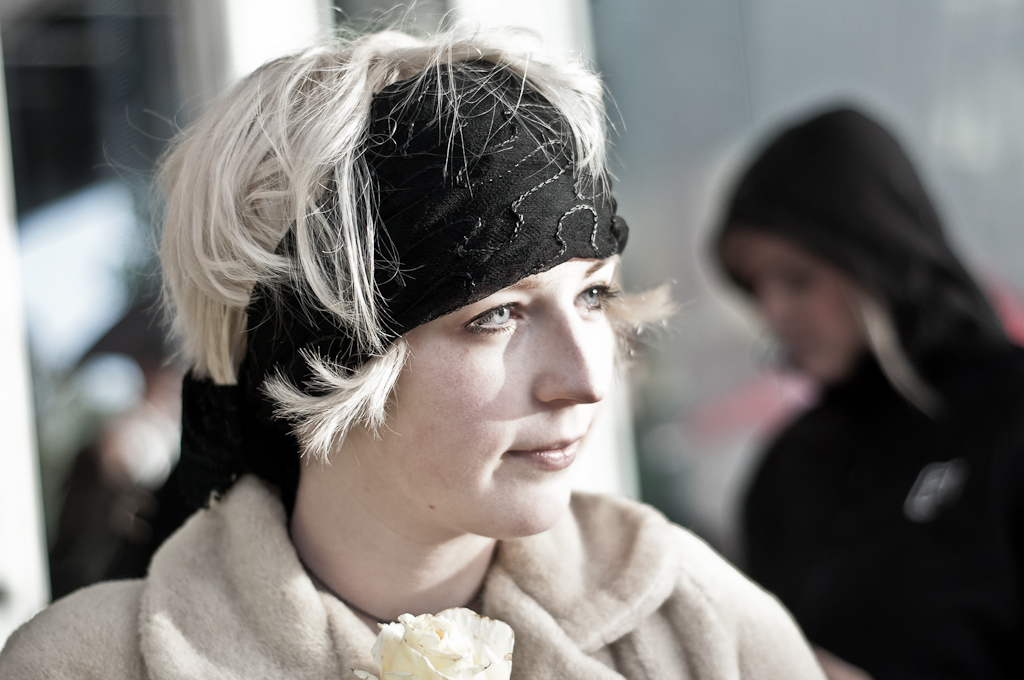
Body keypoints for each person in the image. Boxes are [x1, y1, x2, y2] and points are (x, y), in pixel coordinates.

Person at [0, 28, 825, 679]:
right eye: (498, 315)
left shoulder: (705, 628)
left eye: (593, 295)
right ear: (323, 355)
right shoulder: (86, 666)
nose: (585, 379)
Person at [715, 107, 1024, 680]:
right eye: (755, 285)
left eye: (797, 278)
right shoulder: (786, 467)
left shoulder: (1009, 416)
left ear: (879, 258)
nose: (772, 312)